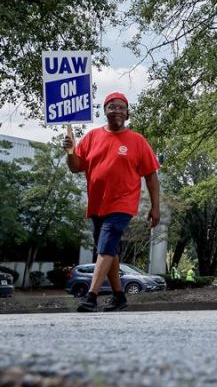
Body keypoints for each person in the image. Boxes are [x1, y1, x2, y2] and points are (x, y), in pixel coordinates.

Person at [63, 92, 160, 313]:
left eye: (120, 107)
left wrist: (156, 207)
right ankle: (119, 296)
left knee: (106, 245)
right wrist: (69, 152)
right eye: (111, 107)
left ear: (127, 113)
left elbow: (151, 177)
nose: (116, 110)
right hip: (97, 204)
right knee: (109, 249)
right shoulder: (91, 137)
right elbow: (75, 166)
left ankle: (91, 296)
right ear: (105, 111)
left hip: (122, 203)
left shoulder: (138, 141)